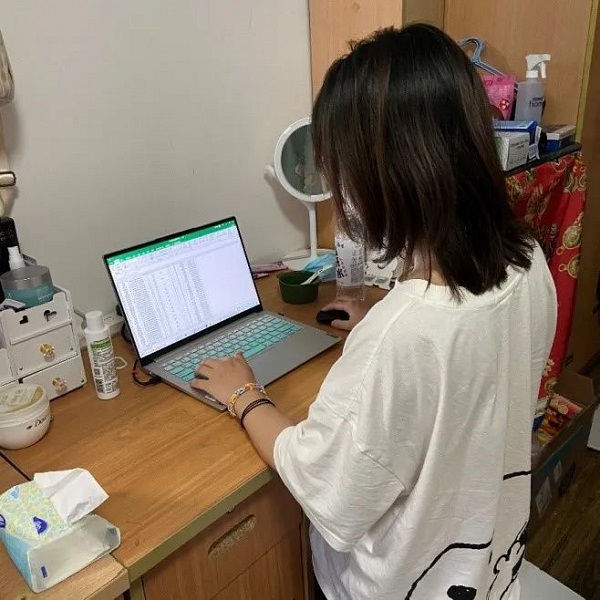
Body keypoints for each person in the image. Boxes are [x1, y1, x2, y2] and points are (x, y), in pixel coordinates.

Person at [192, 24, 557, 600]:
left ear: (382, 174)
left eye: (337, 169)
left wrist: (244, 395)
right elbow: (471, 373)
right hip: (486, 566)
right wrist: (382, 330)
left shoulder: (405, 334)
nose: (336, 189)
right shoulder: (527, 258)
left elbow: (326, 485)